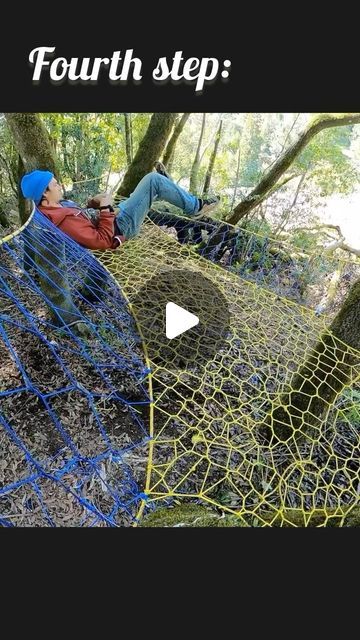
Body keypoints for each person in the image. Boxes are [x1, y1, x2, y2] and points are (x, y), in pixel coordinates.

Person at [20, 168, 220, 251]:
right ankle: (195, 207)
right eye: (54, 185)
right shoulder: (62, 220)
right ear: (44, 194)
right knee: (153, 181)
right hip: (120, 228)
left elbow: (85, 216)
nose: (59, 186)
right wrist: (106, 207)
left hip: (114, 218)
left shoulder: (58, 207)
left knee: (149, 192)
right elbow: (102, 241)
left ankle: (184, 199)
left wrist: (93, 203)